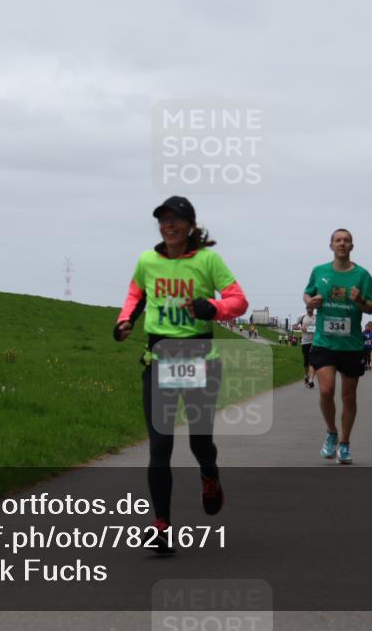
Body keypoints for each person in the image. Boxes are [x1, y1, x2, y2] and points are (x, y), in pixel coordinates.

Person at [114, 196, 248, 552]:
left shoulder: (208, 260)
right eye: (163, 219)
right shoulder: (148, 260)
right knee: (160, 445)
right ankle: (161, 525)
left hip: (200, 357)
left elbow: (239, 301)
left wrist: (212, 307)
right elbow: (135, 294)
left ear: (190, 226)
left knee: (198, 441)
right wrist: (124, 320)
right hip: (158, 357)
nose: (168, 225)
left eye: (176, 219)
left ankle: (209, 473)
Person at [303, 228, 372, 465]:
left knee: (349, 396)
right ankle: (331, 432)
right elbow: (307, 294)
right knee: (326, 390)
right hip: (324, 342)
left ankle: (344, 443)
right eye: (338, 240)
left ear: (352, 246)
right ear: (331, 245)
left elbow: (370, 308)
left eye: (346, 241)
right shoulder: (319, 271)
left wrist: (359, 301)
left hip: (351, 344)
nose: (342, 244)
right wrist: (310, 301)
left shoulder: (363, 276)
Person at [299, 306, 317, 387]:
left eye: (311, 308)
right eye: (308, 308)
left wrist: (308, 329)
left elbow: (318, 329)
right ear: (306, 308)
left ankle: (311, 380)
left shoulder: (316, 318)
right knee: (306, 361)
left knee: (313, 360)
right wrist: (300, 327)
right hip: (305, 342)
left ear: (313, 309)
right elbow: (294, 326)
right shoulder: (302, 317)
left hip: (314, 342)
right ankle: (306, 375)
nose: (310, 309)